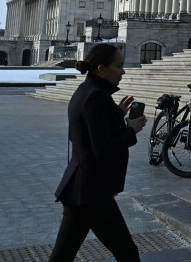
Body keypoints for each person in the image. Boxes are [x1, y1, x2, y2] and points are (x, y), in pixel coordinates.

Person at [49, 44, 146, 262]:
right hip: (92, 190)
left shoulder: (87, 91)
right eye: (118, 66)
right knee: (127, 252)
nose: (123, 71)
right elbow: (102, 148)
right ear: (101, 69)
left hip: (79, 188)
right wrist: (131, 130)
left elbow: (83, 133)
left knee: (62, 257)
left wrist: (116, 113)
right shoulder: (96, 97)